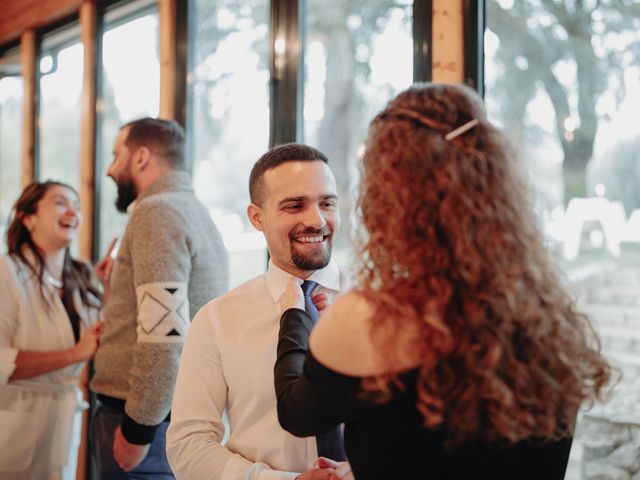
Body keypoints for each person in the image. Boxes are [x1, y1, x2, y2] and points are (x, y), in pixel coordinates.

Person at [274, 83, 612, 480]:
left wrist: (295, 316)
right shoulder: (550, 319)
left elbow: (298, 413)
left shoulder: (368, 320)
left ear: (390, 196)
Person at [167, 143, 354, 480]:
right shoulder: (217, 321)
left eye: (327, 203)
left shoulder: (381, 307)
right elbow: (188, 446)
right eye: (295, 205)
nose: (316, 220)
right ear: (257, 217)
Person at [90, 117, 229, 479]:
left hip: (142, 425)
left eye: (115, 155)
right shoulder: (193, 210)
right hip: (168, 418)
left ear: (141, 157)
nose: (108, 169)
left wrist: (137, 431)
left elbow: (164, 336)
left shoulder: (157, 212)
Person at [0, 181, 104, 479]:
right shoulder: (6, 273)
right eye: (60, 202)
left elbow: (99, 339)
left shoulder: (82, 278)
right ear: (27, 218)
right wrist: (73, 355)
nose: (73, 211)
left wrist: (107, 290)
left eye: (77, 205)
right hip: (13, 429)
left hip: (62, 427)